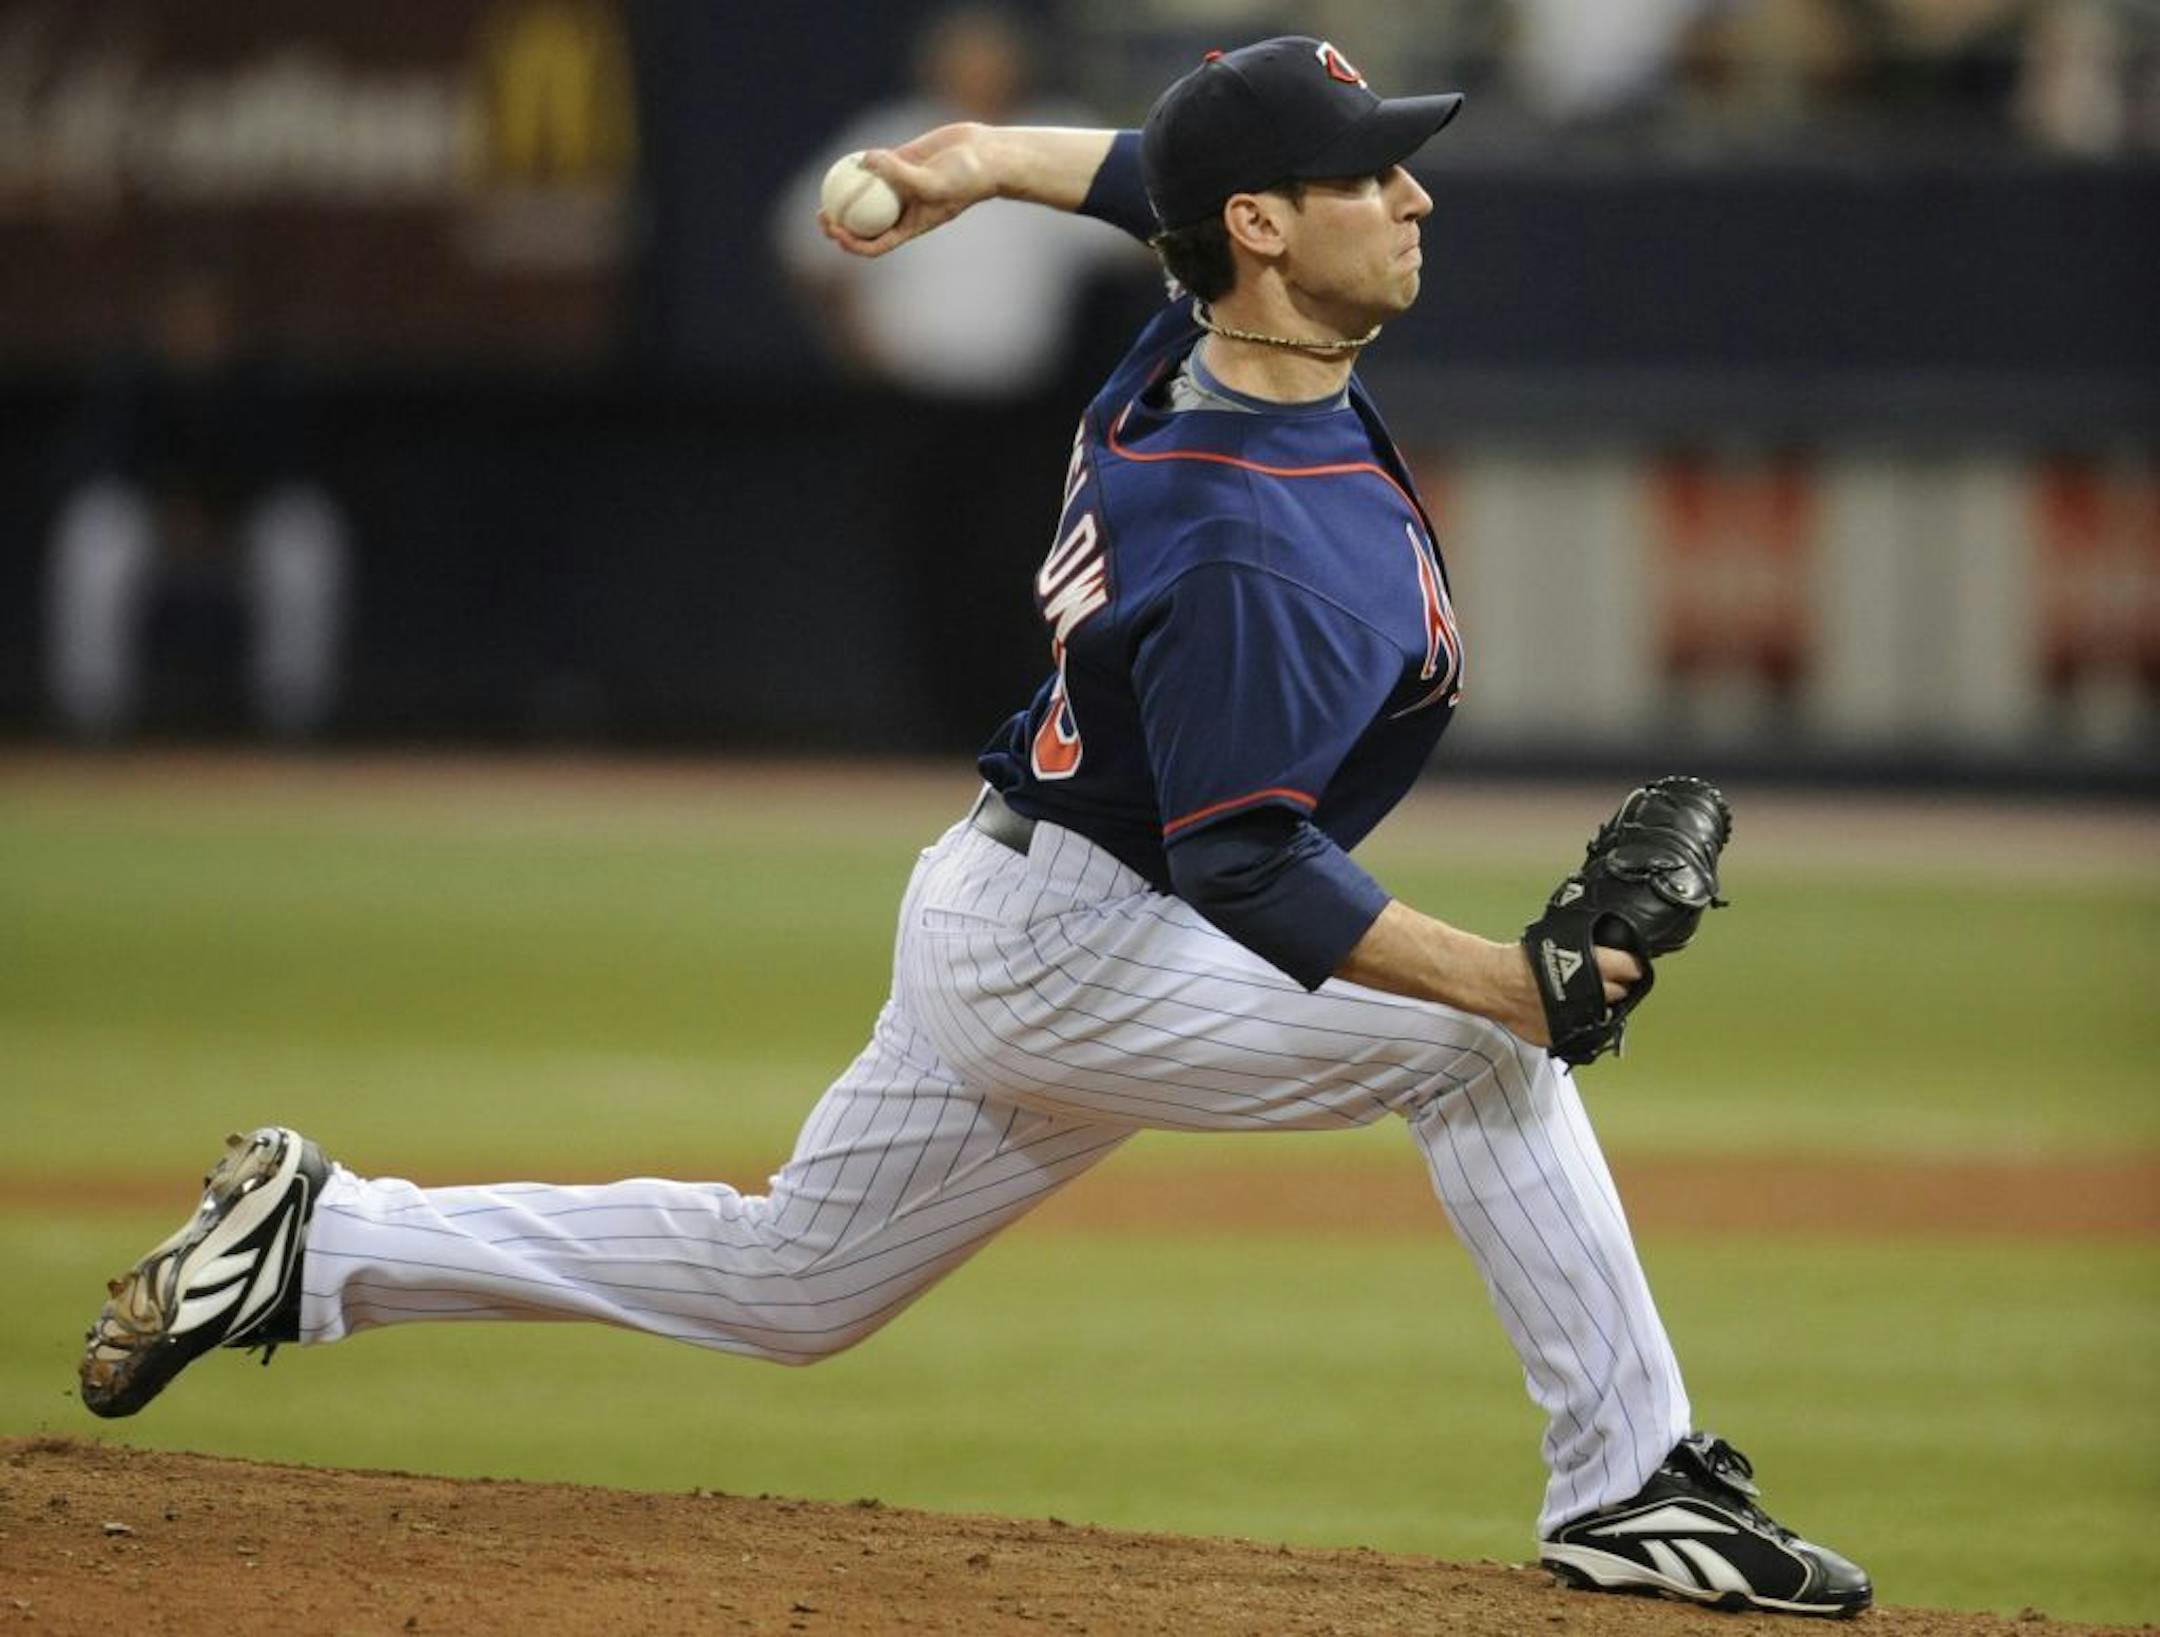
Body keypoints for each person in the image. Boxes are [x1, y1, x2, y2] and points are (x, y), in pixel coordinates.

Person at [78, 37, 1869, 1620]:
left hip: (1018, 892)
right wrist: (1515, 979)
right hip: (1093, 943)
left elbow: (1136, 176)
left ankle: (324, 1240)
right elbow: (1247, 862)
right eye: (1367, 176)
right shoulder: (1256, 536)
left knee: (798, 1282)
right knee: (1477, 1050)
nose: (1413, 195)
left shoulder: (1211, 329)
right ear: (1262, 225)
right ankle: (1628, 1483)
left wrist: (980, 158)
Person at [771, 4, 1143, 750]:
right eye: (964, 60)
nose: (980, 75)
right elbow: (802, 244)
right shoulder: (891, 143)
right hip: (915, 400)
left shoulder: (1048, 141)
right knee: (920, 564)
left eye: (992, 59)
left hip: (1020, 408)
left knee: (1018, 570)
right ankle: (919, 731)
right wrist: (854, 340)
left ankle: (1010, 728)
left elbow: (1144, 241)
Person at [44, 263, 349, 742]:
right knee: (95, 530)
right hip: (152, 526)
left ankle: (293, 715)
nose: (197, 328)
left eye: (208, 318)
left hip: (243, 525)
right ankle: (92, 715)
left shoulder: (259, 382)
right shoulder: (133, 381)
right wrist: (169, 511)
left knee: (304, 533)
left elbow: (284, 467)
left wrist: (222, 515)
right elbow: (104, 463)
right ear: (161, 323)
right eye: (184, 317)